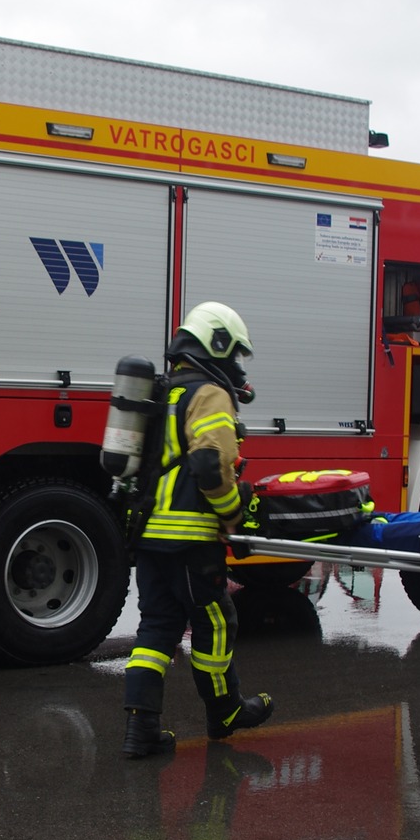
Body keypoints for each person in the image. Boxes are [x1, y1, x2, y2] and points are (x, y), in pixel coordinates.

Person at [122, 302, 275, 759]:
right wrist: (234, 513)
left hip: (149, 536)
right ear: (217, 344)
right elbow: (210, 465)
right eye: (235, 355)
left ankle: (140, 732)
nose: (236, 367)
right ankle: (225, 711)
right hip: (190, 538)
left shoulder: (165, 391)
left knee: (155, 630)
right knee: (214, 621)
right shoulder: (209, 393)